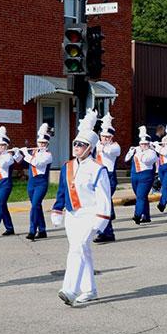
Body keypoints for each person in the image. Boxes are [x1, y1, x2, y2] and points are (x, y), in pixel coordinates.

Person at [52, 109, 113, 306]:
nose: (76, 147)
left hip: (90, 213)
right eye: (75, 143)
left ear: (90, 148)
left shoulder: (98, 169)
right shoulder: (67, 167)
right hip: (72, 214)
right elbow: (62, 190)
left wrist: (101, 220)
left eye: (81, 145)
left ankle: (70, 289)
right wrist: (57, 209)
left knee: (77, 249)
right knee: (81, 249)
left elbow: (104, 197)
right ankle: (90, 289)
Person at [19, 125, 53, 241]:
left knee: (34, 206)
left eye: (44, 143)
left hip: (41, 183)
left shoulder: (48, 155)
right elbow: (22, 162)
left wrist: (26, 154)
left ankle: (32, 231)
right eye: (40, 143)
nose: (41, 145)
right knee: (37, 207)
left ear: (47, 144)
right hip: (31, 183)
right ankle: (42, 230)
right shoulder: (33, 152)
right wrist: (18, 153)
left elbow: (37, 163)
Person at [92, 113, 121, 243]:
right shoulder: (98, 144)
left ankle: (106, 232)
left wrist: (101, 145)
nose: (104, 138)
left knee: (103, 204)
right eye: (103, 136)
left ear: (111, 137)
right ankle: (106, 231)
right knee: (102, 204)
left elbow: (108, 151)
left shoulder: (115, 146)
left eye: (107, 137)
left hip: (109, 177)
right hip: (98, 176)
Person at [124, 125, 158, 224]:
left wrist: (140, 152)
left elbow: (146, 161)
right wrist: (130, 153)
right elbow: (126, 160)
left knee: (141, 196)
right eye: (142, 144)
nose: (143, 146)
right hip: (134, 175)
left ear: (149, 144)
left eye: (146, 144)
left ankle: (137, 215)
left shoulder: (152, 153)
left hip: (146, 176)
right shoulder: (136, 150)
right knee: (141, 196)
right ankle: (146, 216)